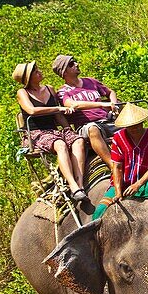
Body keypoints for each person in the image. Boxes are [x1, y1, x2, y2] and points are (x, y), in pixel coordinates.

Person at [13, 61, 88, 203]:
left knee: (78, 141)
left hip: (54, 130)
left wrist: (67, 129)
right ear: (28, 78)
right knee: (60, 144)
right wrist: (58, 109)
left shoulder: (49, 89)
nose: (39, 71)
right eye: (35, 71)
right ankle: (72, 186)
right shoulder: (23, 93)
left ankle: (80, 183)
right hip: (36, 133)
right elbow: (32, 110)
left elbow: (58, 116)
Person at [52, 55, 118, 168]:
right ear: (64, 72)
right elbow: (73, 104)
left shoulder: (91, 82)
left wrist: (114, 105)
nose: (76, 64)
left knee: (133, 126)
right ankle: (114, 167)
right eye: (71, 64)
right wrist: (102, 104)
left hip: (107, 121)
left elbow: (110, 92)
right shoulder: (63, 92)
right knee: (93, 129)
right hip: (85, 126)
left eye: (75, 62)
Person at [109, 103, 148, 200]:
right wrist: (118, 192)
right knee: (101, 209)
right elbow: (117, 167)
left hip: (145, 182)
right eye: (130, 125)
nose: (134, 128)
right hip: (123, 183)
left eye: (136, 124)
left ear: (142, 122)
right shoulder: (118, 137)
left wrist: (138, 184)